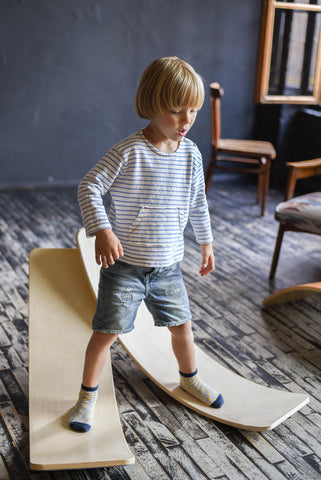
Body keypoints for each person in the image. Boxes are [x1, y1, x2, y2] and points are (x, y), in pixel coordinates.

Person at [68, 56, 224, 433]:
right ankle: (87, 397)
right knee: (106, 335)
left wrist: (206, 242)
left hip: (168, 268)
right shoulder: (128, 152)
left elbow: (197, 202)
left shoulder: (190, 154)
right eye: (175, 111)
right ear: (150, 105)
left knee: (182, 327)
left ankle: (189, 378)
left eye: (193, 111)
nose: (186, 121)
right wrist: (103, 230)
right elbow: (89, 186)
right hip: (126, 270)